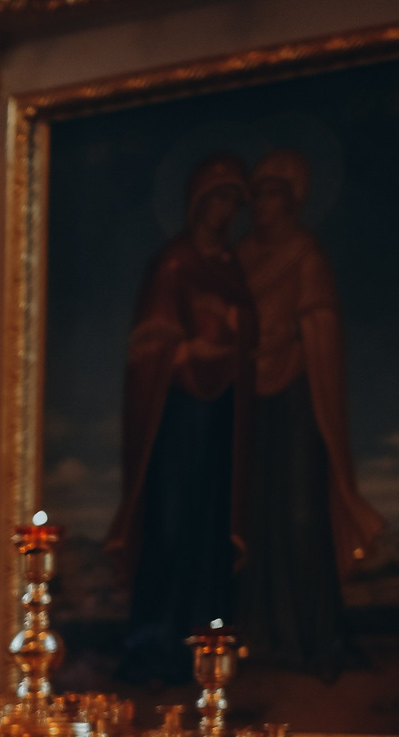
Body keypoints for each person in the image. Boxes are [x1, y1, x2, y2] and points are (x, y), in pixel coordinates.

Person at [232, 148, 384, 680]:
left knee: (299, 514)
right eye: (256, 194)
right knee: (254, 517)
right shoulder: (241, 258)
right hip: (249, 397)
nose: (261, 204)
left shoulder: (305, 255)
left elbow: (321, 324)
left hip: (297, 392)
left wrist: (291, 333)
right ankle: (264, 638)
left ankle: (318, 638)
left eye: (271, 193)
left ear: (291, 201)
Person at [108, 152, 257, 685]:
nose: (224, 212)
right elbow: (149, 345)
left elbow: (246, 342)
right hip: (176, 421)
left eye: (233, 203)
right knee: (170, 526)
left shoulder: (230, 270)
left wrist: (232, 339)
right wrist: (189, 348)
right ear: (197, 201)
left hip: (218, 419)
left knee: (211, 528)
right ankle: (157, 643)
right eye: (218, 199)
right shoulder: (172, 264)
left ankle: (208, 649)